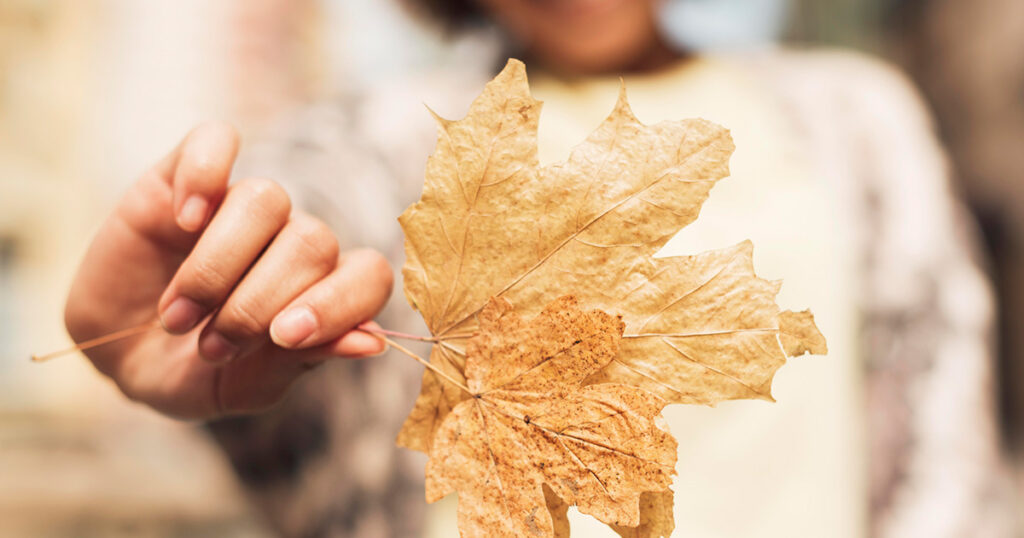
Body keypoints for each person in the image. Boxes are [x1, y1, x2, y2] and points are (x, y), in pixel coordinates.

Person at [63, 0, 1016, 536]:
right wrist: (232, 297)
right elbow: (318, 227)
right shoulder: (387, 137)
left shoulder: (856, 118)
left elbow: (948, 450)